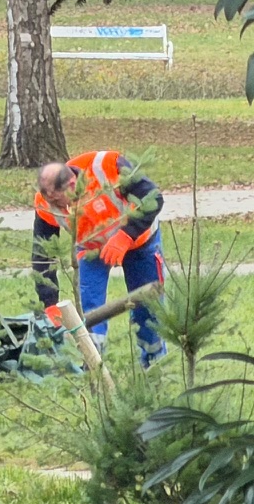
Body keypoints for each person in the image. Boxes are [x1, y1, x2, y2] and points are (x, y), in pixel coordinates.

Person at [32, 150, 166, 365]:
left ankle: (155, 365)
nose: (60, 209)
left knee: (148, 310)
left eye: (59, 201)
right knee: (90, 312)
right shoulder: (45, 202)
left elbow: (153, 198)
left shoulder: (107, 167)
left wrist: (125, 236)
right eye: (53, 203)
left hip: (139, 242)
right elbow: (43, 252)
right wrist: (49, 301)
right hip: (91, 250)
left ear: (72, 185)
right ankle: (93, 368)